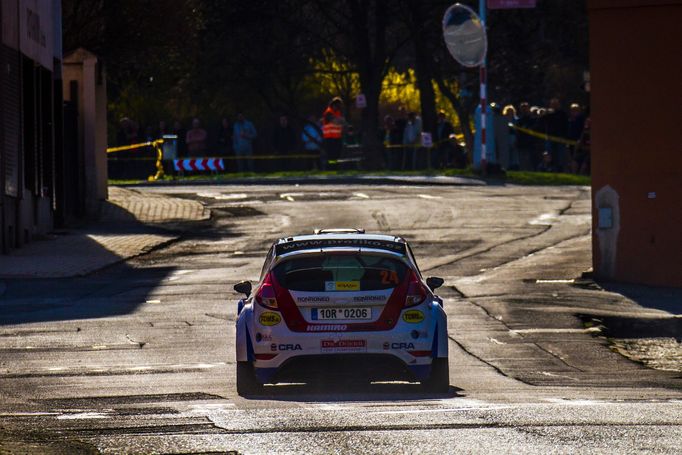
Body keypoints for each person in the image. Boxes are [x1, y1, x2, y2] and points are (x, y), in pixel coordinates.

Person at [543, 98, 569, 172]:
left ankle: (559, 168)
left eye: (556, 104)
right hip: (550, 137)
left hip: (560, 137)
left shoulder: (563, 114)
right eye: (552, 104)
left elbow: (566, 125)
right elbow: (542, 121)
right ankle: (548, 166)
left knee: (560, 154)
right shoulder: (548, 114)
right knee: (549, 152)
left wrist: (565, 136)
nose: (554, 106)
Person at [321, 97, 346, 167]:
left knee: (337, 154)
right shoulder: (328, 112)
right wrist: (340, 120)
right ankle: (331, 167)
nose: (339, 107)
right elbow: (336, 121)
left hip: (337, 137)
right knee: (331, 154)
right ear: (334, 105)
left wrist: (340, 121)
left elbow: (342, 122)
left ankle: (335, 166)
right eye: (338, 106)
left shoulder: (338, 113)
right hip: (329, 138)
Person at [515, 102, 536, 171]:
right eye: (522, 108)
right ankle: (523, 171)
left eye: (525, 108)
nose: (524, 110)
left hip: (530, 143)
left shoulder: (532, 119)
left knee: (530, 160)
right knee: (522, 160)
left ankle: (530, 171)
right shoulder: (519, 120)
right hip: (521, 143)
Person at [502, 105, 519, 170]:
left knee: (514, 152)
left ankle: (515, 166)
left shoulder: (516, 120)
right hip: (506, 137)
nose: (510, 113)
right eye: (508, 111)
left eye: (511, 111)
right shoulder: (503, 119)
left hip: (513, 136)